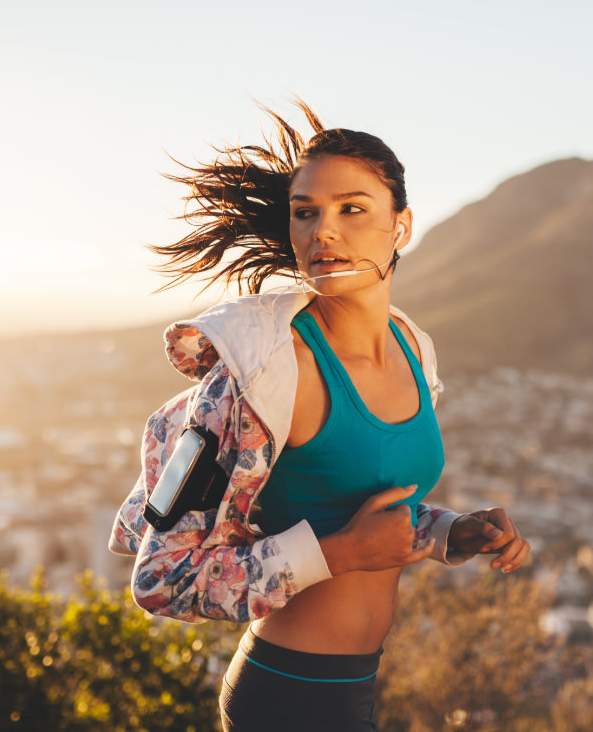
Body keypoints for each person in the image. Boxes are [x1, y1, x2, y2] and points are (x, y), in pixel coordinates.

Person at [109, 101, 531, 731]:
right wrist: (340, 553)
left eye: (351, 209)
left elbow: (359, 502)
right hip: (283, 697)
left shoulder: (412, 348)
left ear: (402, 225)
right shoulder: (261, 375)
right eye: (305, 212)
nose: (321, 231)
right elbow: (161, 579)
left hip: (356, 685)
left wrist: (448, 533)